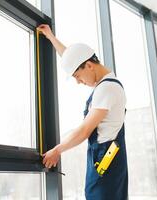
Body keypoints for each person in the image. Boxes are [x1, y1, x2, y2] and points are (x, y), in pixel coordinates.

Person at [37, 24, 128, 200]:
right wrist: (50, 37)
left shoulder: (106, 89)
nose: (78, 82)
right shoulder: (107, 81)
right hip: (106, 159)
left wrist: (57, 150)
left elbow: (84, 131)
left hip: (105, 163)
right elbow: (71, 58)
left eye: (77, 77)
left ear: (89, 66)